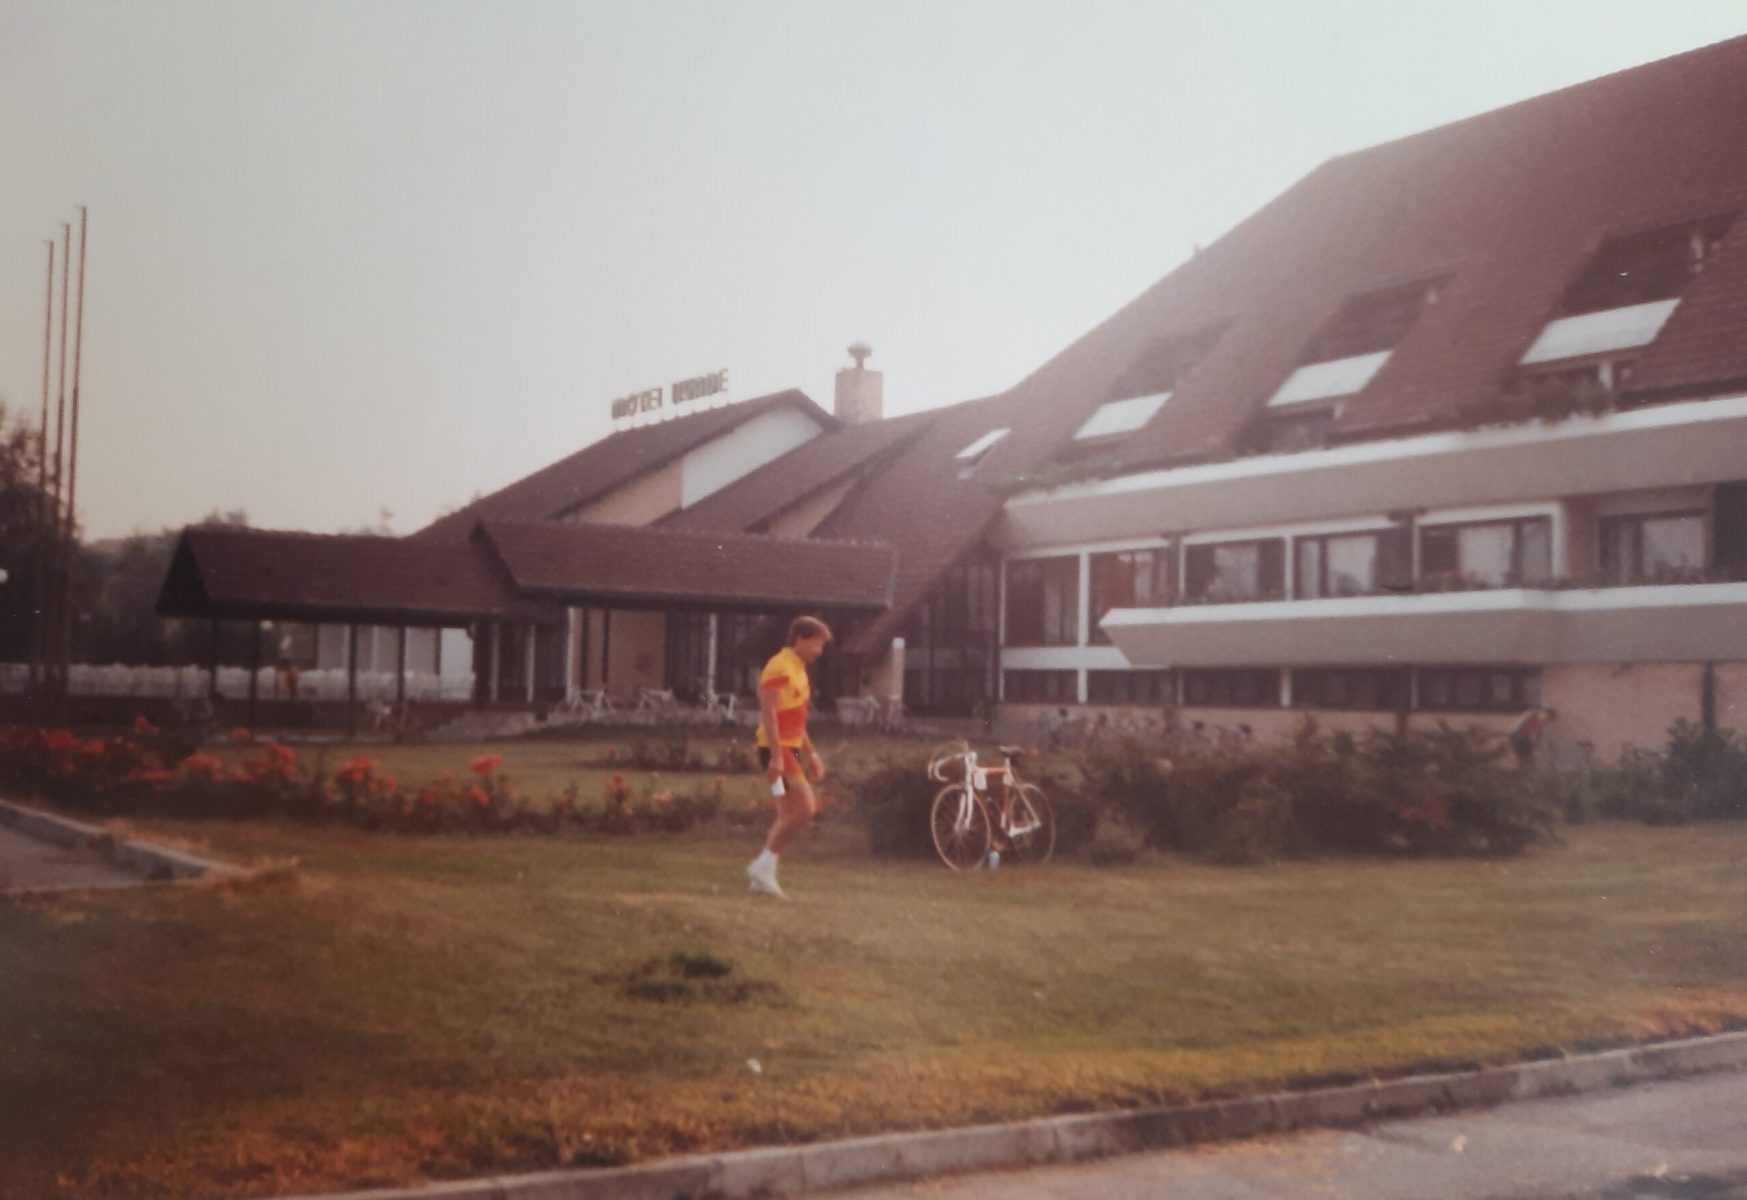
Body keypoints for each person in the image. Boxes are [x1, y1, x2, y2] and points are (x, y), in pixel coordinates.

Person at [746, 615, 831, 899]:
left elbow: (796, 720)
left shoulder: (799, 670)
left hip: (790, 747)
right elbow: (768, 713)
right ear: (801, 639)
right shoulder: (779, 666)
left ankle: (763, 874)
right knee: (806, 808)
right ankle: (763, 866)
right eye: (817, 644)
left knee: (786, 814)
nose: (819, 651)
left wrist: (811, 754)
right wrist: (775, 757)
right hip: (775, 749)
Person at [1509, 705, 1555, 770]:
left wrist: (1537, 740)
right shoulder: (1539, 716)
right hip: (1520, 737)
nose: (1548, 721)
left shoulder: (1535, 714)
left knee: (1523, 759)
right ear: (1547, 714)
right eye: (1549, 719)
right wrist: (1537, 741)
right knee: (1526, 759)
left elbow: (1537, 731)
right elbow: (1537, 730)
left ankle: (1523, 770)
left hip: (1520, 736)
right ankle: (1527, 771)